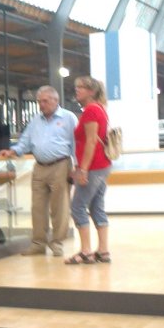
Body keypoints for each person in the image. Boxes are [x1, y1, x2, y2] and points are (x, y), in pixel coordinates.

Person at [0, 85, 77, 256]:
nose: (41, 105)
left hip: (61, 166)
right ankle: (38, 243)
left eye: (45, 101)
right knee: (37, 207)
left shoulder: (68, 118)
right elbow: (25, 141)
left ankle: (57, 243)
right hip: (39, 167)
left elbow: (76, 143)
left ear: (55, 100)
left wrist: (76, 168)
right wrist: (13, 151)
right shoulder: (35, 120)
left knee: (60, 208)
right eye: (39, 101)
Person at [64, 76, 112, 265]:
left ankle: (85, 251)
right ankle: (103, 250)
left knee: (77, 207)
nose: (77, 90)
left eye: (81, 87)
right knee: (96, 206)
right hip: (102, 165)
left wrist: (82, 169)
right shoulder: (100, 108)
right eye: (76, 87)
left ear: (91, 91)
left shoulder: (91, 110)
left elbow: (91, 141)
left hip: (93, 167)